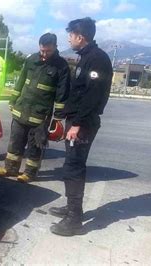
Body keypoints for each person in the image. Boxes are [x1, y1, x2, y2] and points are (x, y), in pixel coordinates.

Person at [49, 17, 113, 236]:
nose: (69, 39)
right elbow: (78, 93)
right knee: (71, 165)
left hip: (83, 123)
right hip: (77, 120)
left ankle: (74, 220)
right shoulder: (87, 57)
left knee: (74, 167)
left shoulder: (97, 59)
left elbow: (92, 96)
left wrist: (76, 123)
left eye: (71, 35)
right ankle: (72, 207)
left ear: (80, 37)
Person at [0, 33, 70, 183]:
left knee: (35, 145)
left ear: (55, 47)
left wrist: (58, 116)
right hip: (21, 109)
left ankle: (30, 173)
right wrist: (13, 99)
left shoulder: (62, 66)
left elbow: (63, 92)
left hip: (40, 115)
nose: (44, 54)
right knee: (15, 141)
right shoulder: (31, 60)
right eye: (42, 50)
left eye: (47, 51)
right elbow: (21, 81)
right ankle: (10, 168)